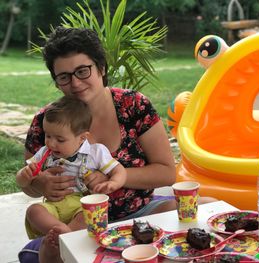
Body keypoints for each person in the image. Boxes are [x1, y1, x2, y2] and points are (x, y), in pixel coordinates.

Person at [18, 26, 186, 263]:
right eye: (64, 76)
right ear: (56, 82)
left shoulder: (134, 106)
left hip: (136, 214)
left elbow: (168, 173)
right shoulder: (47, 121)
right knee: (52, 251)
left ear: (101, 68)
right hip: (75, 224)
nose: (75, 83)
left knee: (201, 208)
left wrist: (115, 177)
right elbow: (28, 182)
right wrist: (39, 185)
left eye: (83, 71)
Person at [16, 96, 127, 243]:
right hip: (52, 206)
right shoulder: (44, 153)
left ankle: (65, 236)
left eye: (60, 139)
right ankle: (62, 232)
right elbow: (22, 181)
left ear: (82, 138)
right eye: (47, 136)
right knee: (33, 211)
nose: (51, 143)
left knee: (88, 215)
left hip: (81, 205)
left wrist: (113, 183)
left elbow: (119, 171)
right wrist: (24, 176)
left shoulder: (95, 152)